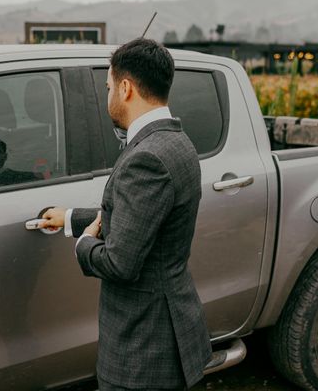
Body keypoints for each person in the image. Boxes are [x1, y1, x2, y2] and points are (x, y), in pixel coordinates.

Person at [36, 38, 211, 390]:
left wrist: (83, 245)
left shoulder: (146, 158)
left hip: (143, 348)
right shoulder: (177, 141)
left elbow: (120, 263)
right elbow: (139, 218)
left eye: (108, 87)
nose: (107, 97)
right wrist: (70, 218)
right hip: (168, 325)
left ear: (126, 88)